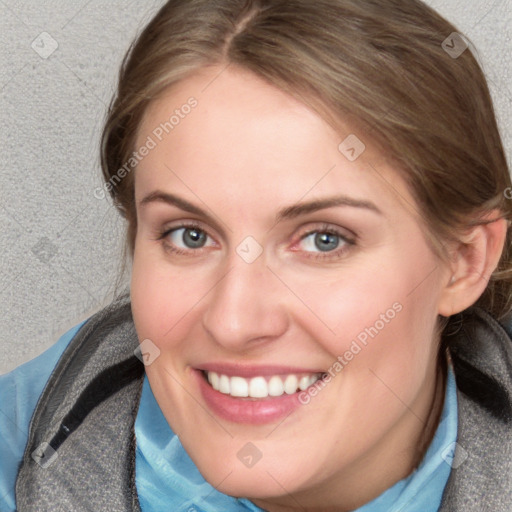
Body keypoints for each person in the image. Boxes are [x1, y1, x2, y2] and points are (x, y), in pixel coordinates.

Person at [1, 0, 511, 510]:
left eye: (323, 239)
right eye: (189, 235)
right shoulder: (17, 449)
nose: (234, 322)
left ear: (464, 262)